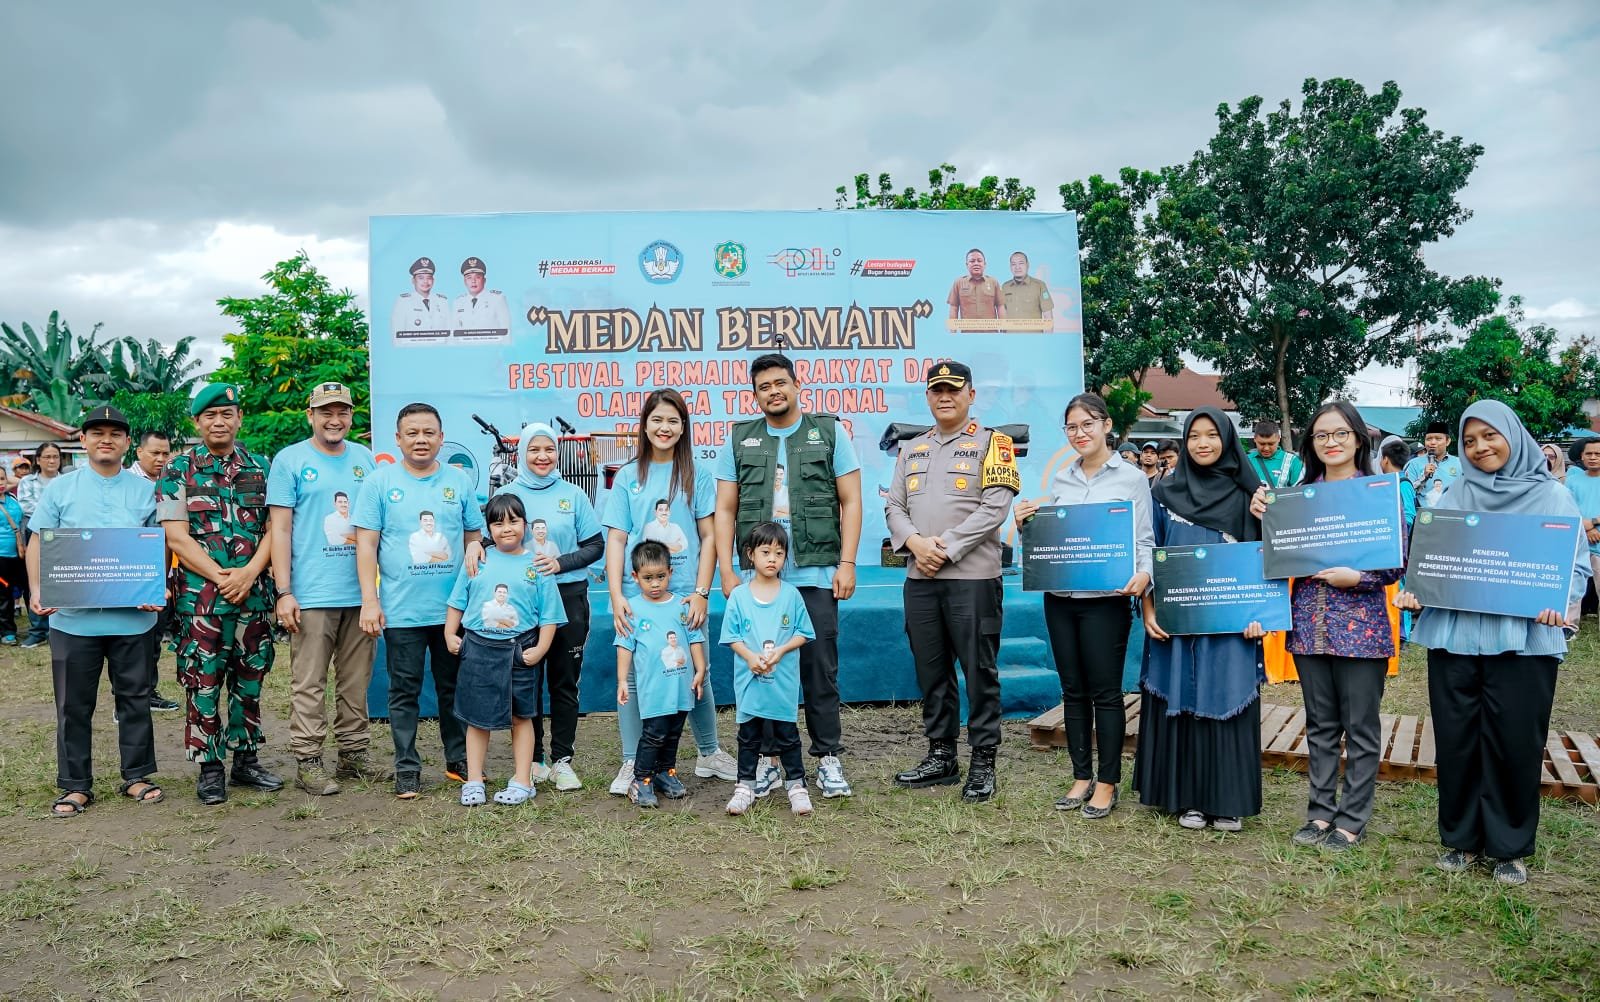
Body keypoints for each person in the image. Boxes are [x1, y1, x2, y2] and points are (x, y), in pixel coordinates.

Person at [1394, 401, 1589, 886]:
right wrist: (1416, 591)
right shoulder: (1451, 494)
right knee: (1457, 741)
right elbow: (1431, 559)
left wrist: (1559, 602)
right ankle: (1460, 840)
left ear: (1514, 435)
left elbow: (1575, 566)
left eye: (1490, 436)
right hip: (1455, 637)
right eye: (1471, 440)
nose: (1480, 448)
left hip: (1525, 641)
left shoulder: (1553, 499)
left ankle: (1509, 847)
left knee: (1515, 743)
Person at [1253, 401, 1402, 851]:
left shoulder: (1379, 491)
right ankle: (1319, 814)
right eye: (1321, 436)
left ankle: (1352, 819)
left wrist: (1360, 578)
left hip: (1362, 629)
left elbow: (1398, 561)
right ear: (1310, 444)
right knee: (1319, 725)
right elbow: (1275, 559)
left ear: (1358, 438)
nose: (1331, 442)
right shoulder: (1298, 496)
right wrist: (1264, 516)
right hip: (1309, 624)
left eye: (1339, 433)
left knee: (1360, 727)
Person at [714, 352, 863, 800]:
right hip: (758, 580)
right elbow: (724, 508)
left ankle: (828, 759)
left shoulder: (829, 432)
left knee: (820, 669)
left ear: (797, 385)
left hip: (815, 573)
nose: (773, 392)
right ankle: (768, 760)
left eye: (780, 383)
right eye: (764, 386)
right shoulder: (740, 439)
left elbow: (851, 501)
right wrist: (726, 568)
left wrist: (847, 563)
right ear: (754, 394)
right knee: (762, 668)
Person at [1011, 392, 1153, 819]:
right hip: (1061, 599)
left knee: (1105, 693)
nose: (1080, 433)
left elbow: (1143, 539)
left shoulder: (1131, 478)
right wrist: (1025, 525)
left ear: (1107, 425)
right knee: (1072, 690)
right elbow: (1053, 539)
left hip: (1106, 602)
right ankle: (1080, 775)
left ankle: (1107, 783)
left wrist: (1145, 576)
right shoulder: (1062, 481)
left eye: (1088, 424)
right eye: (1072, 427)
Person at [885, 360, 1019, 802]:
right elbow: (894, 507)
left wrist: (944, 548)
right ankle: (941, 755)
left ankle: (983, 761)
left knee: (979, 672)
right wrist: (917, 545)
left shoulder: (994, 443)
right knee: (932, 670)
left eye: (953, 390)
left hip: (973, 578)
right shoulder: (912, 448)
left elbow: (995, 508)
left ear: (971, 395)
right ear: (927, 396)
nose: (945, 396)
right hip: (919, 578)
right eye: (937, 390)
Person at [1135, 407, 1268, 831]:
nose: (1203, 443)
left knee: (1223, 690)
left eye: (1212, 434)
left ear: (1228, 440)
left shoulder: (1251, 498)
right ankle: (1187, 798)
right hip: (1176, 620)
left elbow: (1267, 563)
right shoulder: (1164, 493)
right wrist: (1149, 608)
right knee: (1183, 693)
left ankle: (1225, 801)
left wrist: (1259, 615)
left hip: (1231, 622)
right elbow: (1150, 555)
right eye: (1194, 435)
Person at [31, 406, 166, 816]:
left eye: (115, 433)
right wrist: (38, 589)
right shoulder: (61, 489)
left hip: (133, 616)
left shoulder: (146, 490)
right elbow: (38, 540)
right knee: (73, 704)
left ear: (127, 443)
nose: (106, 439)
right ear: (84, 440)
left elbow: (158, 542)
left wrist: (156, 586)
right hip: (73, 620)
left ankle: (137, 775)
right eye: (97, 433)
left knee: (135, 698)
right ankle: (75, 785)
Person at [602, 389, 736, 794]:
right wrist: (617, 596)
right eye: (657, 420)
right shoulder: (629, 476)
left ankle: (709, 753)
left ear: (683, 427)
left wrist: (700, 592)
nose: (665, 428)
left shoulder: (697, 473)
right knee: (638, 677)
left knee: (696, 671)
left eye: (673, 421)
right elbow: (617, 540)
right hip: (637, 598)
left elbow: (710, 536)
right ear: (644, 424)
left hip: (683, 596)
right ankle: (631, 762)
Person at [353, 402, 486, 799]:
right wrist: (369, 600)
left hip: (452, 611)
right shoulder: (379, 483)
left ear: (441, 438)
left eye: (429, 432)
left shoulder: (458, 482)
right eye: (412, 433)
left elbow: (472, 539)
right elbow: (366, 545)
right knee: (403, 691)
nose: (421, 440)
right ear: (398, 439)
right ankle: (406, 767)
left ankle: (457, 760)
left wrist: (473, 592)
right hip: (401, 610)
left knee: (453, 687)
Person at [156, 384, 281, 805]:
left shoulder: (261, 467)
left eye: (227, 414)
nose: (219, 422)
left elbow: (274, 531)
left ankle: (246, 760)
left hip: (253, 596)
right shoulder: (177, 470)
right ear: (197, 422)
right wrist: (221, 576)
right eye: (210, 415)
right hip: (201, 602)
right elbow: (176, 535)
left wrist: (247, 575)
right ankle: (210, 769)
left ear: (239, 418)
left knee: (250, 680)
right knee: (203, 682)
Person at [266, 382, 380, 796]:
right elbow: (279, 528)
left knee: (356, 680)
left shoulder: (366, 460)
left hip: (361, 594)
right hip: (311, 593)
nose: (335, 420)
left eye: (343, 412)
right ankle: (308, 759)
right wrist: (284, 591)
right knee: (309, 681)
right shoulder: (290, 460)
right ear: (310, 415)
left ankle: (353, 754)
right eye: (325, 412)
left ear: (351, 416)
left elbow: (375, 527)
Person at [492, 423, 604, 791]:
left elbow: (595, 546)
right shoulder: (507, 493)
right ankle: (534, 760)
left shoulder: (573, 495)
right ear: (521, 453)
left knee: (563, 680)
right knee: (526, 680)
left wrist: (561, 563)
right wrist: (476, 547)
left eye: (549, 449)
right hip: (523, 600)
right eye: (534, 450)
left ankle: (562, 760)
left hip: (568, 597)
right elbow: (487, 538)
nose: (542, 456)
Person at [445, 493, 562, 807]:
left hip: (519, 650)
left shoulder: (538, 564)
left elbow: (550, 615)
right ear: (488, 529)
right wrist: (448, 632)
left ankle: (523, 780)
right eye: (497, 523)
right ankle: (473, 780)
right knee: (476, 718)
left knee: (522, 717)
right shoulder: (478, 559)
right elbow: (458, 600)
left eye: (513, 521)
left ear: (525, 523)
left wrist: (540, 649)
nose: (506, 528)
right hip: (477, 649)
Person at [721, 522, 817, 816]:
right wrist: (750, 657)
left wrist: (782, 650)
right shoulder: (739, 596)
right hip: (750, 682)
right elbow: (731, 636)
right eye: (765, 552)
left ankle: (797, 786)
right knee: (748, 735)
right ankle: (745, 786)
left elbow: (804, 632)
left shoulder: (791, 595)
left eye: (779, 552)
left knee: (787, 734)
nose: (772, 558)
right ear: (751, 554)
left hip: (783, 684)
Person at [613, 540, 707, 809]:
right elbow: (624, 646)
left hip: (680, 687)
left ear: (670, 573)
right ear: (635, 577)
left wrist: (700, 669)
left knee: (674, 732)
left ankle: (667, 772)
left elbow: (694, 638)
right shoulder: (631, 609)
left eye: (660, 577)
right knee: (654, 734)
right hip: (654, 690)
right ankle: (641, 779)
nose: (655, 584)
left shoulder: (682, 605)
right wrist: (622, 680)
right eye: (648, 578)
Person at [126, 430, 180, 712]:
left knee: (154, 637)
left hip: (163, 573)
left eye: (165, 453)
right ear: (138, 452)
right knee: (133, 641)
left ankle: (147, 693)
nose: (161, 459)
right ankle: (130, 698)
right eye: (154, 453)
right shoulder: (128, 484)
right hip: (133, 574)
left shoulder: (168, 483)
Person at [17, 440, 65, 648]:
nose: (52, 460)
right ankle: (37, 630)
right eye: (47, 456)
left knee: (61, 577)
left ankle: (57, 628)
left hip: (63, 534)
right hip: (35, 531)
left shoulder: (68, 481)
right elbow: (26, 506)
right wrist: (53, 510)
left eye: (55, 456)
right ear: (38, 460)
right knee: (34, 578)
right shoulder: (27, 481)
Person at [1403, 421, 1464, 509]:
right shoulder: (1413, 464)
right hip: (1425, 518)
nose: (1432, 443)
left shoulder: (1460, 464)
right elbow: (1406, 494)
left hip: (1453, 516)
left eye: (1438, 439)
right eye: (1428, 439)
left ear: (1448, 441)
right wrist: (1423, 477)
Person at [391, 257, 453, 343]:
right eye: (421, 278)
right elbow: (397, 336)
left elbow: (450, 334)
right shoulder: (404, 302)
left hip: (440, 352)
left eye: (429, 278)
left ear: (433, 280)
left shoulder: (442, 301)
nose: (425, 281)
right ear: (413, 281)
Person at [452, 257, 511, 334]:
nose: (473, 281)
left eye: (477, 277)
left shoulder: (497, 299)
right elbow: (454, 334)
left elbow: (506, 331)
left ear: (484, 280)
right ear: (465, 281)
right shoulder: (458, 302)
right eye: (469, 278)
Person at [947, 249, 1003, 328]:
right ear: (967, 265)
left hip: (990, 333)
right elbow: (954, 308)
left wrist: (1004, 330)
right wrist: (952, 331)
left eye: (979, 261)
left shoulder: (993, 282)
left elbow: (1000, 306)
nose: (976, 263)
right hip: (967, 334)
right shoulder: (958, 283)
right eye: (972, 261)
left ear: (984, 264)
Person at [1000, 251, 1053, 329]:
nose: (1017, 267)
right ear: (1010, 267)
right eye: (1013, 264)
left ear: (1027, 265)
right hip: (1010, 338)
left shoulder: (1039, 285)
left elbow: (1048, 316)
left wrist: (1048, 339)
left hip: (1033, 339)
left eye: (1021, 263)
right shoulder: (1005, 287)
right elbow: (1002, 315)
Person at [1247, 419, 1303, 488]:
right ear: (1254, 439)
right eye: (1262, 444)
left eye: (1271, 444)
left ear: (1279, 439)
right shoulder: (1246, 461)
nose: (1266, 448)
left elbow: (1299, 492)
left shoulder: (1292, 461)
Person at [0, 487, 24, 645]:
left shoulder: (12, 498)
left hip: (16, 555)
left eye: (2, 478)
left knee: (14, 591)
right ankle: (7, 631)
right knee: (3, 593)